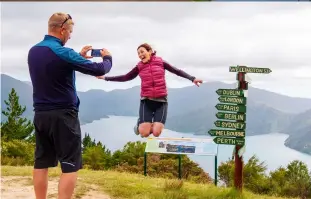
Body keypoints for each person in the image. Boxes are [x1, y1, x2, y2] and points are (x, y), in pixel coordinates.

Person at [27, 12, 113, 199]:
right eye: (70, 31)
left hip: (40, 115)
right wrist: (108, 58)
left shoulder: (33, 51)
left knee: (41, 162)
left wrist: (79, 56)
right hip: (63, 115)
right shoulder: (63, 52)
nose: (70, 36)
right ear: (62, 29)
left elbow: (55, 68)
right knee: (69, 165)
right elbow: (99, 69)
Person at [97, 43, 202, 138]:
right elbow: (125, 77)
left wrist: (192, 78)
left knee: (156, 133)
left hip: (161, 101)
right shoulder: (139, 66)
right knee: (144, 133)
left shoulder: (161, 62)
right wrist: (106, 78)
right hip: (146, 101)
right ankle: (140, 124)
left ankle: (148, 123)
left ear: (150, 52)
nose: (140, 54)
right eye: (138, 53)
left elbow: (177, 71)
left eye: (142, 52)